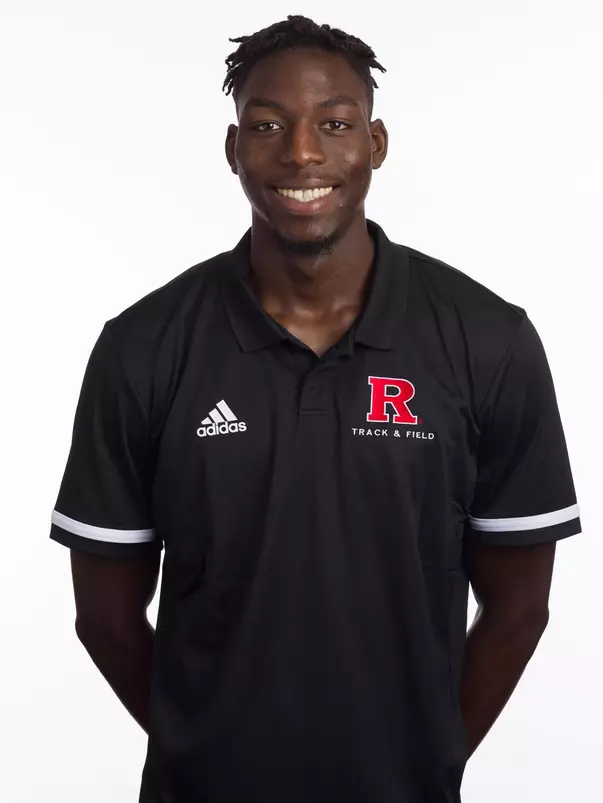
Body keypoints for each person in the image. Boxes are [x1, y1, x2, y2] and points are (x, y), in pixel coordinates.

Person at [49, 14, 582, 803]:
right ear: (234, 151)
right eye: (267, 125)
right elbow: (105, 618)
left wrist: (427, 758)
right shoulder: (142, 347)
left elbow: (518, 608)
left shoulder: (487, 340)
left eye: (334, 124)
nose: (301, 152)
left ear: (375, 143)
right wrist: (204, 751)